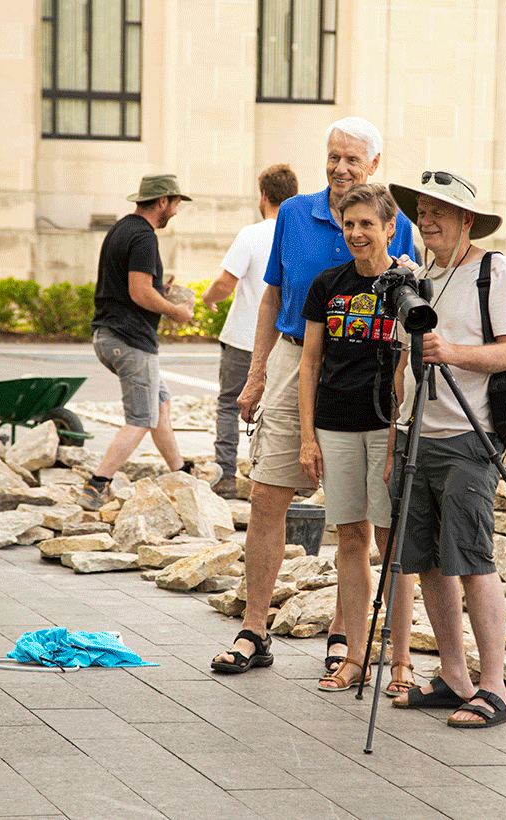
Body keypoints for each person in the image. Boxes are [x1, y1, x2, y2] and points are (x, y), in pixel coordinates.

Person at [210, 116, 417, 676]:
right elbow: (272, 297)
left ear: (374, 164)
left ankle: (344, 636)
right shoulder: (296, 214)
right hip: (293, 358)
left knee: (359, 518)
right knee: (267, 497)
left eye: (353, 159)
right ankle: (255, 628)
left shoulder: (394, 219)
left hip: (365, 372)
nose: (341, 168)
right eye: (333, 157)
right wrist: (255, 377)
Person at [386, 171, 506, 728]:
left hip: (471, 436)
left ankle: (494, 690)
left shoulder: (494, 271)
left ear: (468, 220)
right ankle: (452, 677)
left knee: (472, 559)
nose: (427, 220)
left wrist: (452, 352)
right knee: (427, 564)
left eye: (440, 211)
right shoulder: (423, 279)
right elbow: (406, 362)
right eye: (422, 210)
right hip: (417, 433)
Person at [298, 183, 418, 695]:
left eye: (367, 224)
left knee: (394, 544)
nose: (356, 233)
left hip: (386, 427)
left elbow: (409, 366)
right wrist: (308, 436)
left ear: (390, 228)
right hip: (335, 425)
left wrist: (396, 439)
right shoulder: (327, 284)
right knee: (350, 538)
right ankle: (355, 657)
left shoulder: (408, 286)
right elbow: (309, 363)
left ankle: (402, 663)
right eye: (349, 224)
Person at [78, 174, 198, 511]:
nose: (175, 211)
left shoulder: (121, 228)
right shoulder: (144, 237)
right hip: (130, 340)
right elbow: (139, 292)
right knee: (141, 417)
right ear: (162, 201)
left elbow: (132, 287)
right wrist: (175, 311)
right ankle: (97, 484)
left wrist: (160, 290)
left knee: (159, 406)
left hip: (109, 334)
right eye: (175, 204)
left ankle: (181, 472)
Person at [201, 164, 299, 499]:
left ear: (264, 196)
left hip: (243, 339)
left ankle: (226, 476)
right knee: (286, 410)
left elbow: (225, 283)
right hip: (286, 342)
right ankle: (286, 479)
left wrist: (207, 299)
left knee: (229, 405)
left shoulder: (252, 234)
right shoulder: (299, 235)